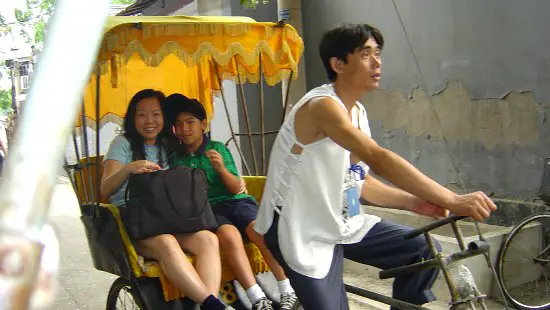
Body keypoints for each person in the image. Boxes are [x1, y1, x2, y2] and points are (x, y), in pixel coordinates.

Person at [253, 23, 497, 310]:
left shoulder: (357, 112)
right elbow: (377, 157)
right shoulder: (321, 106)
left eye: (378, 53)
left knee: (421, 252)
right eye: (366, 53)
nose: (377, 61)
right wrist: (452, 199)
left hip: (340, 222)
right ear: (338, 64)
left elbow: (360, 182)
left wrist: (413, 202)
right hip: (297, 227)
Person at [100, 89, 231, 310]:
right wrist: (130, 168)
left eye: (156, 114)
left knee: (208, 239)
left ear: (164, 118)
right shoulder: (122, 144)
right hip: (137, 222)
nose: (149, 121)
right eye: (142, 114)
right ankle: (213, 305)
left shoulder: (170, 145)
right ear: (133, 118)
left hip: (170, 218)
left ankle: (207, 304)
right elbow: (105, 189)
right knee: (166, 241)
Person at [165, 94, 299, 310]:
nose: (184, 129)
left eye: (190, 122)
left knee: (258, 230)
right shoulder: (176, 158)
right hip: (210, 209)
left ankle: (287, 289)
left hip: (237, 201)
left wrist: (221, 169)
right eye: (178, 125)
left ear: (203, 125)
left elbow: (236, 188)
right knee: (229, 236)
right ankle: (257, 298)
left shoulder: (217, 148)